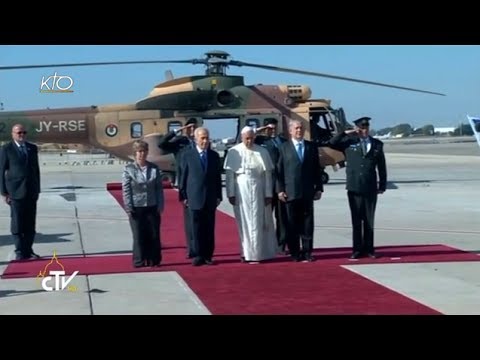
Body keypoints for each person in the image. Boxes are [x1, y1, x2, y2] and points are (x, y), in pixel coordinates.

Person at [329, 117, 387, 259]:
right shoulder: (349, 143)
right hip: (354, 186)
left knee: (369, 220)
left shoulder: (377, 144)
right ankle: (356, 249)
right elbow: (332, 143)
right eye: (361, 128)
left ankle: (369, 249)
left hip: (370, 187)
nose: (364, 130)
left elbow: (381, 166)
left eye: (366, 128)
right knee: (356, 220)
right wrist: (345, 133)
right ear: (357, 128)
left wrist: (383, 184)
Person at [224, 126, 278, 263]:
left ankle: (260, 253)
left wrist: (268, 194)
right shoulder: (234, 151)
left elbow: (267, 174)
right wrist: (230, 193)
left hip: (259, 188)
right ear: (242, 138)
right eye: (246, 138)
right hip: (241, 190)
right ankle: (246, 253)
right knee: (244, 222)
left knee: (260, 222)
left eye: (251, 138)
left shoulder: (262, 151)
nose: (249, 141)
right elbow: (230, 174)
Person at [276, 120, 324, 262]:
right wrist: (279, 190)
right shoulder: (283, 148)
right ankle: (295, 252)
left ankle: (308, 251)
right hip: (291, 192)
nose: (299, 131)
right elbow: (278, 171)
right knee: (292, 223)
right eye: (296, 128)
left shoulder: (311, 147)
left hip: (307, 192)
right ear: (290, 131)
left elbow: (317, 169)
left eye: (301, 128)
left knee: (308, 223)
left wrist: (319, 188)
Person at [178, 127, 223, 266]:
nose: (205, 141)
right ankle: (198, 255)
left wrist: (218, 196)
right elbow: (183, 176)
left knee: (209, 228)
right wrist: (183, 195)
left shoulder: (214, 156)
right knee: (195, 227)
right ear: (196, 139)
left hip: (210, 198)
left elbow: (217, 178)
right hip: (194, 197)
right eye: (202, 138)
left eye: (206, 138)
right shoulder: (188, 155)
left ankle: (208, 255)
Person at [0, 124, 41, 260]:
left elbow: (36, 171)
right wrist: (4, 192)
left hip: (31, 191)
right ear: (13, 134)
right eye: (18, 133)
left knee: (30, 223)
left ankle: (28, 250)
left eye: (24, 132)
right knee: (17, 223)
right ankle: (19, 251)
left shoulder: (32, 148)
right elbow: (1, 172)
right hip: (15, 192)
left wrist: (37, 189)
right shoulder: (6, 149)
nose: (21, 135)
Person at [158, 118, 197, 258]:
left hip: (198, 183)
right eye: (189, 128)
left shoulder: (201, 143)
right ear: (185, 128)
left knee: (200, 220)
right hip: (185, 183)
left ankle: (200, 248)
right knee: (189, 219)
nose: (192, 131)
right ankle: (191, 249)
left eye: (194, 128)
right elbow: (161, 144)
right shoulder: (180, 142)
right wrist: (176, 131)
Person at [122, 140, 165, 268]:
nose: (141, 154)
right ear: (135, 153)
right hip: (136, 207)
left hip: (152, 206)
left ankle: (154, 260)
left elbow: (159, 188)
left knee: (153, 234)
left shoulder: (154, 168)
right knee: (139, 235)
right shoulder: (128, 169)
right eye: (139, 152)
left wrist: (160, 205)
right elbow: (126, 189)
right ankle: (139, 260)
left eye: (144, 151)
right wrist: (128, 206)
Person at [254, 119, 288, 253]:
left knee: (282, 217)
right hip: (266, 183)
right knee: (264, 217)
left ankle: (281, 244)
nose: (272, 131)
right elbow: (244, 137)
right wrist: (261, 129)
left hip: (280, 184)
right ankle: (264, 244)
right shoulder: (260, 141)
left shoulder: (283, 141)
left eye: (274, 128)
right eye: (270, 128)